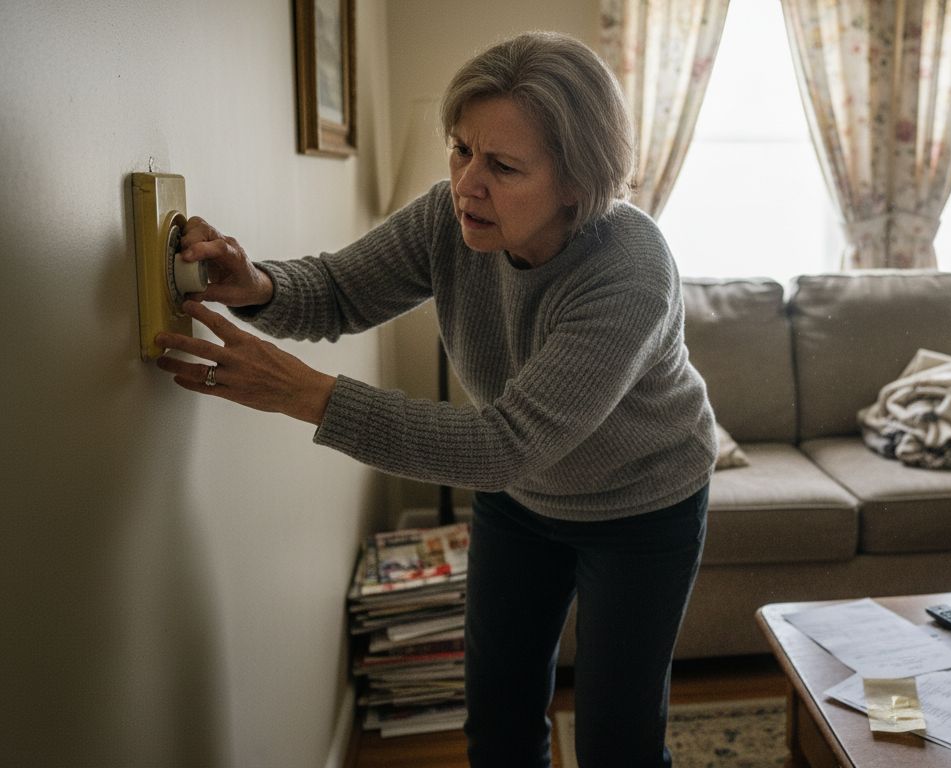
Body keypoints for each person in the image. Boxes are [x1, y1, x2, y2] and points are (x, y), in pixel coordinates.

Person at [154, 31, 717, 768]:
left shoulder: (630, 271)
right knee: (498, 722)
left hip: (642, 506)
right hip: (521, 502)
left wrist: (302, 394)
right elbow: (340, 290)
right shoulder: (448, 220)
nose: (467, 185)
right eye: (461, 150)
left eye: (504, 166)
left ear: (578, 182)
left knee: (619, 744)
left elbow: (501, 443)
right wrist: (255, 284)